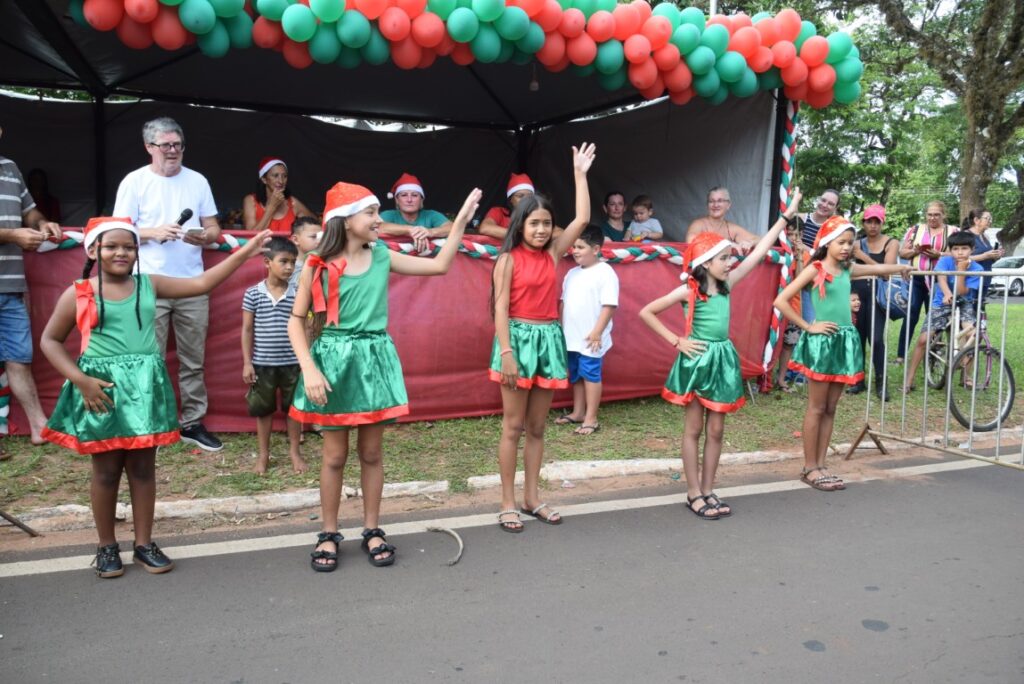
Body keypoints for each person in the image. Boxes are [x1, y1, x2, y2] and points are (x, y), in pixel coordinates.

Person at [39, 216, 270, 578]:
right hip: (102, 391)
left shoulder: (149, 285)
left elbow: (202, 282)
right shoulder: (79, 292)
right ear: (93, 249)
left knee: (144, 469)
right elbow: (49, 341)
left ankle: (144, 544)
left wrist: (247, 252)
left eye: (129, 247)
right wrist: (81, 380)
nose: (121, 252)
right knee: (105, 471)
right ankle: (106, 546)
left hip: (145, 389)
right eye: (112, 245)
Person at [290, 182, 480, 572]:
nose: (380, 220)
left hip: (374, 360)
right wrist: (309, 367)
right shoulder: (316, 264)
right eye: (372, 212)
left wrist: (459, 221)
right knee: (334, 455)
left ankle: (372, 528)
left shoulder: (381, 256)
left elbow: (440, 265)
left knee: (372, 453)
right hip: (333, 362)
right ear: (345, 221)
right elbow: (297, 319)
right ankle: (328, 532)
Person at [639, 189, 803, 520]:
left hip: (722, 359)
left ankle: (710, 489)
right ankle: (693, 491)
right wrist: (677, 341)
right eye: (723, 259)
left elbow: (758, 252)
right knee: (694, 429)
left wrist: (787, 216)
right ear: (705, 263)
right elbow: (647, 311)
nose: (730, 263)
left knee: (717, 430)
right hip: (698, 359)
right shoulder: (689, 289)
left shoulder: (728, 285)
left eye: (729, 258)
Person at [490, 143, 596, 533]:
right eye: (534, 223)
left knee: (537, 428)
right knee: (512, 427)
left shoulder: (553, 252)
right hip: (516, 342)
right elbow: (499, 309)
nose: (541, 230)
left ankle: (533, 497)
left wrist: (579, 174)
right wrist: (506, 352)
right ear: (520, 224)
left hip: (548, 340)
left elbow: (582, 217)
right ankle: (507, 501)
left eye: (546, 224)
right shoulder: (507, 259)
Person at [774, 216, 911, 492]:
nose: (847, 247)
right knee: (816, 406)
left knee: (831, 408)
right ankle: (809, 467)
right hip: (823, 342)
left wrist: (902, 267)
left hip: (844, 342)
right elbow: (781, 300)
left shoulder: (848, 269)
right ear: (827, 243)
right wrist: (808, 326)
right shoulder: (815, 269)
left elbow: (881, 267)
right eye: (842, 242)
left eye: (850, 242)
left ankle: (822, 464)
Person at [113, 117, 225, 452]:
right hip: (148, 282)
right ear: (149, 147)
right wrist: (152, 232)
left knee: (194, 358)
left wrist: (205, 236)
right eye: (166, 145)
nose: (173, 151)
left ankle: (192, 423)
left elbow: (215, 229)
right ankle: (153, 423)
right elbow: (118, 230)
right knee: (150, 357)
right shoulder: (134, 182)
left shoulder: (198, 180)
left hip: (192, 282)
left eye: (178, 145)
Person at [0, 127, 63, 450]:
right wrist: (13, 236)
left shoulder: (10, 168)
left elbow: (29, 209)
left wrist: (41, 223)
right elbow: (14, 229)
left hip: (10, 285)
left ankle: (40, 427)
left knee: (19, 358)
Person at [242, 236, 306, 475]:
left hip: (293, 362)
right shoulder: (253, 293)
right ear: (267, 262)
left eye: (293, 262)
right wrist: (248, 363)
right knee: (263, 410)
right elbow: (247, 329)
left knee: (294, 409)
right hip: (262, 364)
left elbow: (305, 328)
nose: (289, 267)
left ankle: (294, 452)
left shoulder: (299, 292)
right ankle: (264, 454)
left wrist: (306, 360)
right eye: (284, 261)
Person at [555, 224, 618, 435]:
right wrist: (562, 331)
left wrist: (597, 332)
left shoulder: (605, 272)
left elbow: (609, 305)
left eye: (581, 247)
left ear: (596, 249)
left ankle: (591, 418)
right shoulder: (571, 273)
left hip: (592, 337)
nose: (575, 251)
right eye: (574, 246)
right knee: (576, 374)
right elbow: (563, 303)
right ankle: (578, 412)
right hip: (571, 337)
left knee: (590, 374)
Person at [903, 231, 984, 391]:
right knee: (923, 340)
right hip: (941, 303)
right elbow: (941, 278)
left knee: (973, 335)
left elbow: (962, 291)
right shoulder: (945, 261)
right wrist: (947, 293)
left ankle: (966, 375)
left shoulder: (977, 268)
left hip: (964, 303)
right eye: (955, 249)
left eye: (964, 248)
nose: (960, 252)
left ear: (972, 249)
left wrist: (961, 271)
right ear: (950, 250)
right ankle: (909, 380)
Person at [896, 200, 958, 363]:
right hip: (917, 278)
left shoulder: (953, 232)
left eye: (936, 214)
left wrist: (939, 255)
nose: (932, 218)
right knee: (910, 315)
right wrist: (915, 251)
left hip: (940, 280)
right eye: (929, 214)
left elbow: (959, 254)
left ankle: (933, 355)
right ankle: (901, 355)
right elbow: (902, 253)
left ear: (944, 215)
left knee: (936, 316)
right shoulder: (915, 230)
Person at [850, 204, 899, 399]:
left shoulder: (891, 243)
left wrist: (863, 257)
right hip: (857, 295)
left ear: (882, 223)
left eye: (876, 222)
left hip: (878, 295)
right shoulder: (856, 243)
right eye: (869, 221)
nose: (872, 225)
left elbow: (887, 272)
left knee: (877, 339)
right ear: (863, 222)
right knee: (857, 338)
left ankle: (881, 382)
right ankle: (858, 380)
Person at [379, 173, 452, 253]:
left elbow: (452, 228)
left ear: (421, 200)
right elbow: (379, 227)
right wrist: (411, 230)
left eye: (414, 195)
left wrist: (430, 232)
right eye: (404, 195)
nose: (409, 200)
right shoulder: (389, 215)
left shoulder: (431, 215)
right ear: (397, 200)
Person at [775, 221, 809, 393]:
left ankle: (781, 379)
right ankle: (763, 377)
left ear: (802, 235)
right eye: (790, 234)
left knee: (788, 345)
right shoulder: (777, 252)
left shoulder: (804, 254)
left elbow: (800, 281)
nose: (793, 238)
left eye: (797, 234)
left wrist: (800, 255)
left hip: (793, 308)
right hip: (772, 306)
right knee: (770, 342)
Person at [242, 157, 314, 234]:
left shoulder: (293, 203)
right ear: (264, 179)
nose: (281, 181)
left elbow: (316, 226)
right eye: (275, 176)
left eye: (284, 176)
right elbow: (250, 236)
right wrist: (272, 207)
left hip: (287, 246)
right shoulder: (251, 200)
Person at [685, 186, 759, 253]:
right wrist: (727, 244)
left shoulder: (731, 228)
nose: (715, 205)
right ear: (707, 205)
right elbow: (691, 240)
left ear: (728, 205)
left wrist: (751, 242)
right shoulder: (699, 224)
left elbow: (760, 240)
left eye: (720, 201)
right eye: (711, 201)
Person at [478, 173, 536, 240]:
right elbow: (485, 228)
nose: (525, 200)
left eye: (529, 196)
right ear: (510, 199)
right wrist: (521, 237)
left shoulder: (539, 214)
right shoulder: (499, 212)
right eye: (520, 196)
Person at [963, 208, 1003, 298]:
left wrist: (996, 256)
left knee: (980, 307)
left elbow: (989, 259)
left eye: (991, 219)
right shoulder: (965, 235)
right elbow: (961, 258)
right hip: (971, 279)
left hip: (985, 277)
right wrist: (984, 256)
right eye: (987, 218)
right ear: (976, 220)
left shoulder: (986, 237)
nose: (990, 221)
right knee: (969, 307)